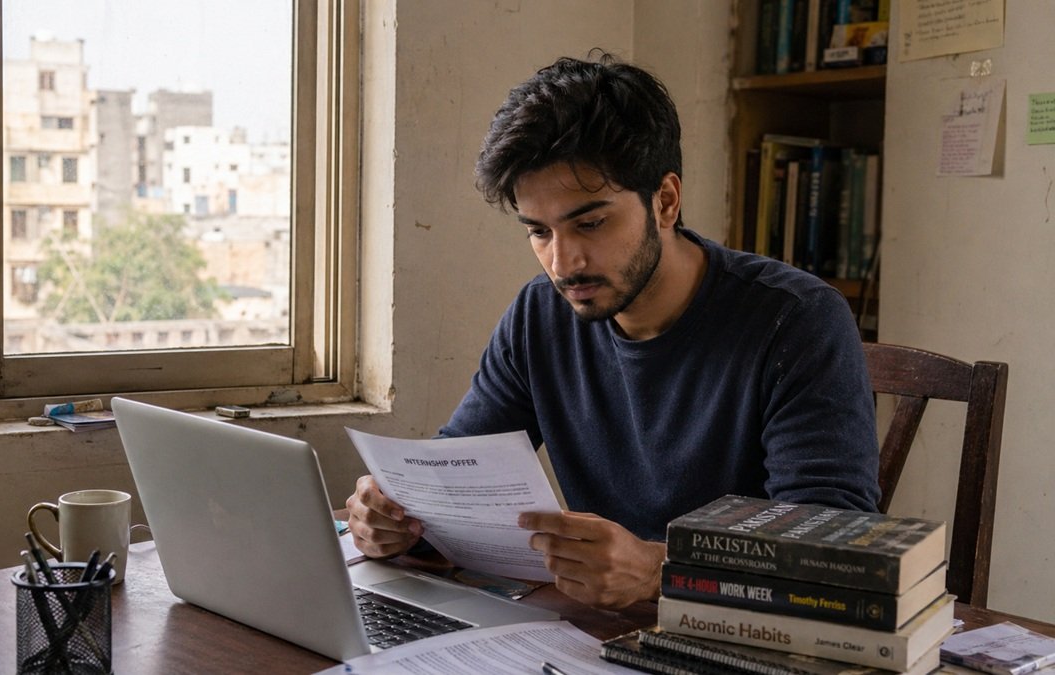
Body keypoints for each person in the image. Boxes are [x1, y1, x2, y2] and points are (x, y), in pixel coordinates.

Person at [345, 53, 880, 610]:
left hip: (738, 637)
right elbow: (460, 468)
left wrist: (659, 570)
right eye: (538, 231)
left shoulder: (796, 319)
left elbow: (831, 540)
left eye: (590, 222)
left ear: (666, 201)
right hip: (593, 630)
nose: (563, 262)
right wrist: (396, 514)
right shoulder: (540, 315)